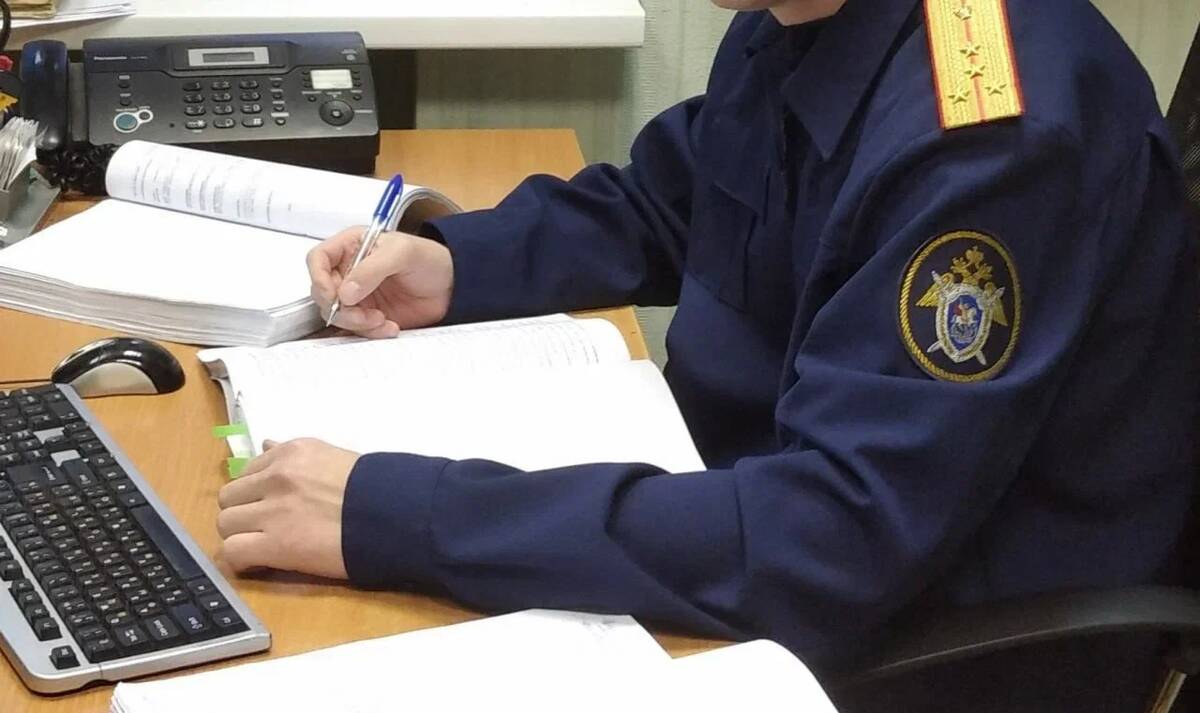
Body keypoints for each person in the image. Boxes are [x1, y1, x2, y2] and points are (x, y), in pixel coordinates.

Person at [215, 0, 1197, 708]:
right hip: (765, 524)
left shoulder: (992, 131)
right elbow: (670, 200)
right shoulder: (799, 20)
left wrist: (402, 512)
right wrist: (458, 264)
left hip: (933, 646)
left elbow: (832, 539)